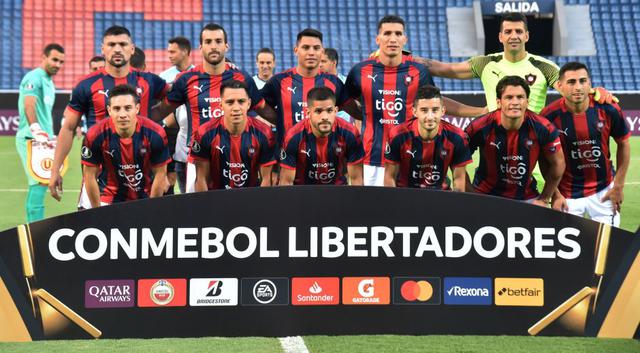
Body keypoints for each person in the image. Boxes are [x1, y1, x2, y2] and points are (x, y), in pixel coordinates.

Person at [345, 15, 484, 186]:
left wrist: (479, 111)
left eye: (398, 33)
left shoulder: (419, 71)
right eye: (387, 33)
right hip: (372, 159)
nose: (393, 39)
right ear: (377, 39)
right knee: (375, 211)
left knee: (410, 211)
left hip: (410, 158)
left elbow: (436, 101)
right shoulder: (360, 71)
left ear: (405, 39)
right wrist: (363, 115)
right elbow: (346, 101)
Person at [49, 25, 169, 206]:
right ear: (103, 49)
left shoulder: (150, 81)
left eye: (122, 44)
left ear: (132, 49)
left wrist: (155, 117)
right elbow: (68, 128)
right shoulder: (86, 85)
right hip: (98, 179)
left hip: (143, 181)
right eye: (111, 44)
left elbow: (176, 101)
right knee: (92, 230)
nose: (118, 49)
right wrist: (54, 170)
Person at [152, 23, 275, 193]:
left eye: (218, 41)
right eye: (208, 42)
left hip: (239, 157)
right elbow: (161, 111)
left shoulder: (242, 77)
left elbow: (264, 110)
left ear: (226, 46)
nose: (214, 46)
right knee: (199, 215)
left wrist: (289, 126)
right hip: (198, 159)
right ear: (201, 47)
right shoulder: (186, 79)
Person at [420, 12, 616, 114]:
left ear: (527, 36)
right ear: (500, 37)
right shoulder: (485, 63)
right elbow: (445, 69)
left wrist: (596, 91)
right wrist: (406, 58)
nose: (514, 36)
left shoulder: (544, 67)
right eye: (508, 32)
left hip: (535, 147)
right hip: (495, 143)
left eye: (518, 31)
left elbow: (570, 89)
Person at [541, 62, 630, 226]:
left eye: (583, 81)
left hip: (603, 192)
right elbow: (544, 160)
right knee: (570, 250)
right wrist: (555, 194)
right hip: (567, 196)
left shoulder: (608, 109)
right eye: (571, 82)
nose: (578, 87)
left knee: (606, 248)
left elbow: (623, 143)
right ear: (560, 86)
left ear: (590, 83)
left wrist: (618, 186)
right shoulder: (549, 116)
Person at [465, 76, 564, 206]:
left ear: (527, 101)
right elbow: (457, 161)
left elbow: (558, 163)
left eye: (520, 97)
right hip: (485, 195)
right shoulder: (479, 126)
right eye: (509, 97)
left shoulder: (543, 128)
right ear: (499, 102)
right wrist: (471, 195)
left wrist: (545, 198)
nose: (515, 102)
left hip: (526, 197)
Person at [81, 84, 170, 206]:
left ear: (137, 108)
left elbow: (160, 174)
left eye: (128, 108)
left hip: (145, 199)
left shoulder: (155, 133)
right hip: (108, 199)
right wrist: (98, 212)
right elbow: (89, 175)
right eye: (117, 109)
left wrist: (151, 209)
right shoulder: (95, 135)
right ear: (109, 110)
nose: (122, 114)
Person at [262, 28, 349, 145]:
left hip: (326, 158)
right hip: (288, 157)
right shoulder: (279, 81)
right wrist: (280, 120)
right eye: (306, 47)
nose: (311, 52)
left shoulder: (334, 82)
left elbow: (356, 110)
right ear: (296, 50)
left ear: (322, 52)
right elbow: (258, 104)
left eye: (316, 48)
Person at [190, 80, 276, 190]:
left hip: (251, 201)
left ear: (249, 104)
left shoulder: (264, 133)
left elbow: (267, 180)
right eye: (230, 102)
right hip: (215, 201)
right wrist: (207, 206)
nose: (236, 108)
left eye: (241, 101)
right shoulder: (204, 133)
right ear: (221, 104)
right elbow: (201, 179)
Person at [384, 85, 471, 190]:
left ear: (443, 111)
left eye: (435, 110)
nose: (430, 117)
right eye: (424, 110)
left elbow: (458, 179)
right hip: (405, 195)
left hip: (440, 196)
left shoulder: (457, 137)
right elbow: (389, 177)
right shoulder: (398, 135)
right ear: (414, 112)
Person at [15, 43, 65, 222]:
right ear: (43, 57)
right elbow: (30, 104)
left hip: (43, 140)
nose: (58, 64)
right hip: (31, 138)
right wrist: (36, 129)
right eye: (54, 59)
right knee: (38, 182)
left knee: (43, 181)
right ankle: (34, 230)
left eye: (61, 61)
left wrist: (49, 136)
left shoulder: (49, 82)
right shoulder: (34, 77)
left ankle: (35, 226)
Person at [279, 87, 364, 185]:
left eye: (329, 111)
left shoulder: (350, 133)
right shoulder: (294, 136)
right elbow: (286, 182)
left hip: (337, 193)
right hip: (303, 194)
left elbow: (356, 179)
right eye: (318, 111)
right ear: (308, 113)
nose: (324, 117)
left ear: (336, 111)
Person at [159, 36, 195, 194]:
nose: (169, 55)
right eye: (168, 52)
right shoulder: (163, 77)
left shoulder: (197, 75)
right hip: (169, 133)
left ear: (185, 52)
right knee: (167, 182)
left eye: (173, 51)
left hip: (189, 133)